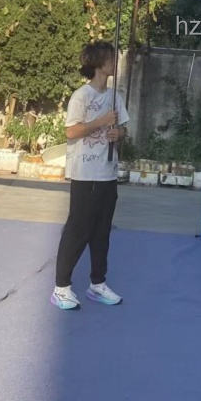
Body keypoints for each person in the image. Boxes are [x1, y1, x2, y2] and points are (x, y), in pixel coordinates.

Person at [50, 41, 129, 311]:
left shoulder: (115, 96)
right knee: (78, 229)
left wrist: (118, 133)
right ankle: (61, 288)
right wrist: (100, 122)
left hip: (108, 174)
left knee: (102, 232)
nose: (114, 62)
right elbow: (71, 131)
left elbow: (123, 129)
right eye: (111, 58)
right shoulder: (81, 96)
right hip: (85, 174)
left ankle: (97, 283)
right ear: (98, 63)